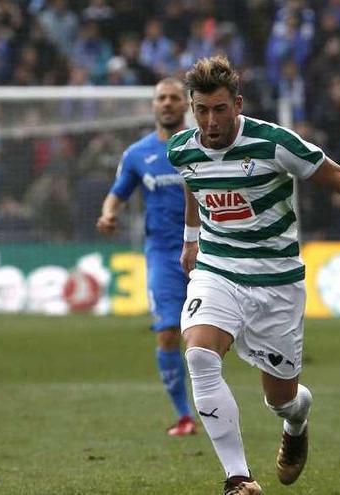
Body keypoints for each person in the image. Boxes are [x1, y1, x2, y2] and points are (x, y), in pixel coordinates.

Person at [169, 55, 340, 495]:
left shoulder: (275, 143)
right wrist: (192, 238)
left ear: (238, 104)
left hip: (276, 284)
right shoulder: (181, 149)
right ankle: (238, 479)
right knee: (199, 355)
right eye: (202, 110)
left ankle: (297, 421)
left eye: (220, 109)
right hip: (217, 270)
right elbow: (195, 181)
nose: (210, 121)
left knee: (281, 399)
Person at [96, 78, 197, 437]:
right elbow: (117, 194)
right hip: (163, 255)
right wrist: (109, 214)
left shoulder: (203, 146)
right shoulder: (138, 154)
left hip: (207, 251)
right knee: (169, 332)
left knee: (208, 337)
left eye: (173, 98)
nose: (167, 103)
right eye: (161, 98)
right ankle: (185, 416)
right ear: (153, 106)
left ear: (185, 105)